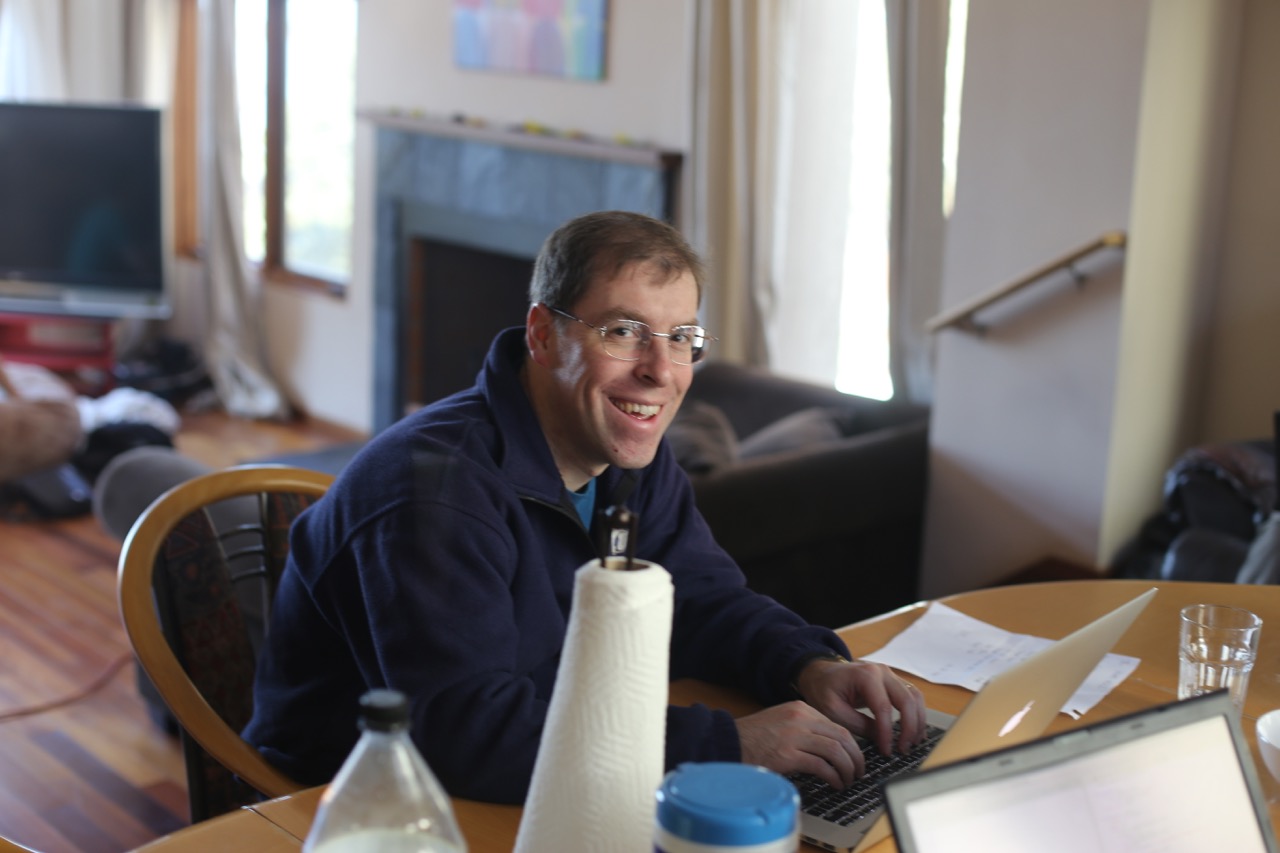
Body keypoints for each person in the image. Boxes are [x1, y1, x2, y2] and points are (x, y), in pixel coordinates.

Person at [242, 210, 926, 804]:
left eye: (682, 338)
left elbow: (700, 598)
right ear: (543, 335)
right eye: (624, 332)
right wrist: (726, 744)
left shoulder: (625, 454)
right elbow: (468, 734)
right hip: (350, 807)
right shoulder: (433, 493)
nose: (660, 371)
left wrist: (808, 666)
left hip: (545, 769)